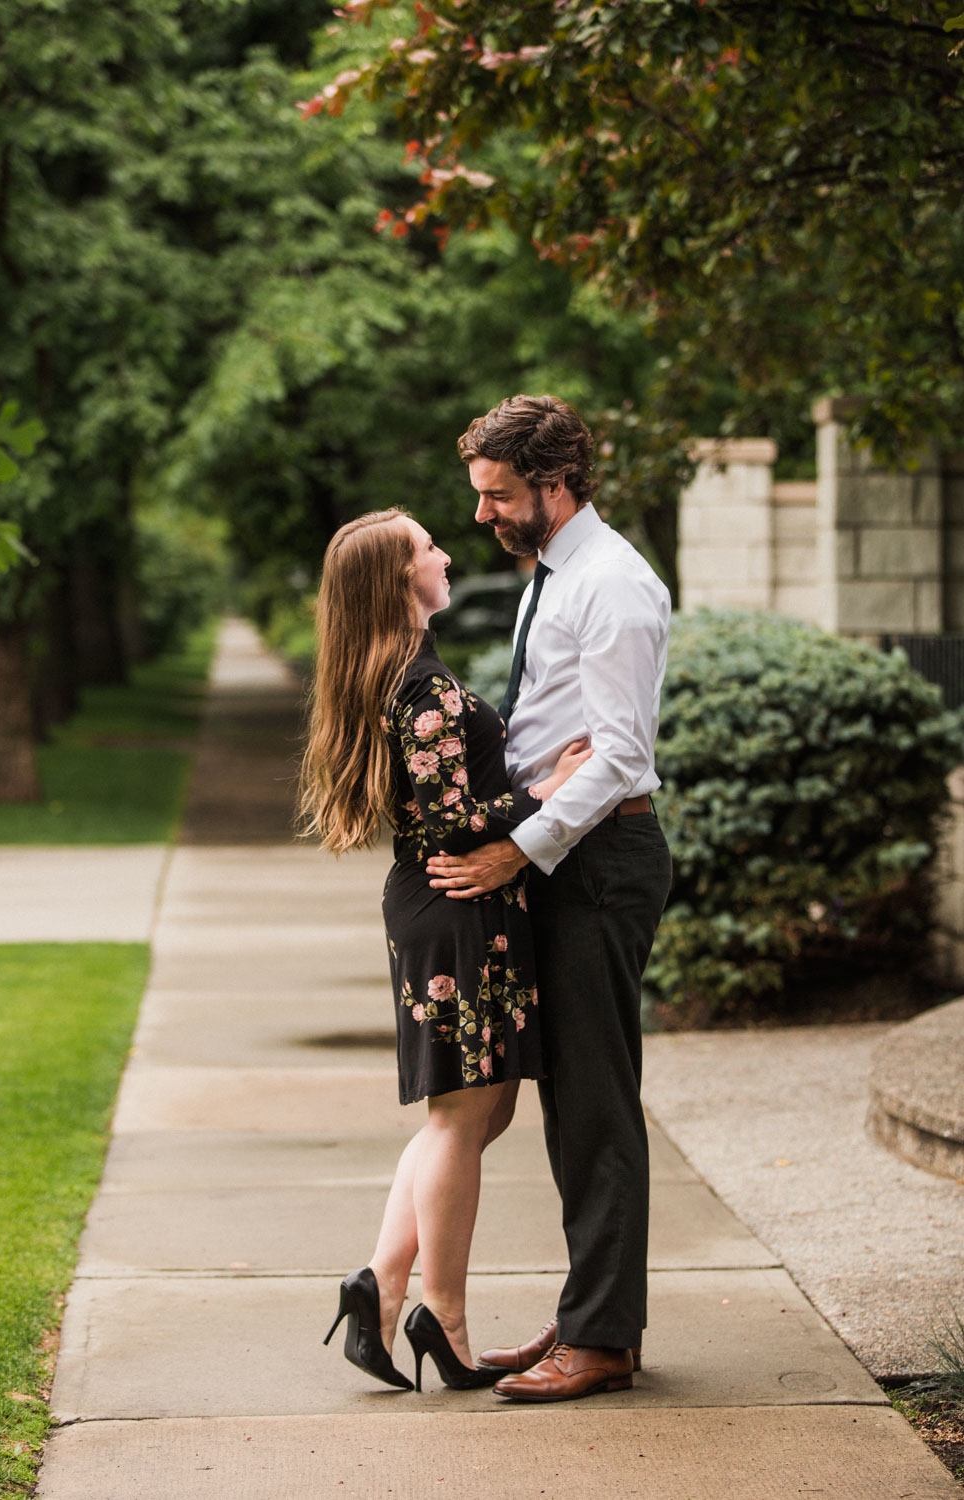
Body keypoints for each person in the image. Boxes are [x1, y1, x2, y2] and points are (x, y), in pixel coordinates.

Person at [300, 507, 590, 1393]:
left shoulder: (403, 674)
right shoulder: (419, 688)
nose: (447, 553)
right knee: (463, 1118)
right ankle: (445, 1319)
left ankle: (380, 1289)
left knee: (478, 1113)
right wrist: (549, 787)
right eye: (429, 548)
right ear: (399, 579)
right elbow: (445, 820)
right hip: (456, 909)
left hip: (459, 910)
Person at [426, 394, 673, 1404]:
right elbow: (547, 730)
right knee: (570, 1101)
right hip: (568, 857)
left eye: (497, 495)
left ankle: (604, 1339)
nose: (483, 514)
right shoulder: (557, 574)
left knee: (595, 1102)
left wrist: (514, 853)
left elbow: (618, 754)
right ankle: (589, 1314)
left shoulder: (613, 585)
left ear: (555, 484)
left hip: (599, 867)